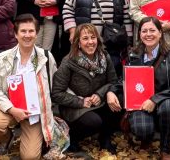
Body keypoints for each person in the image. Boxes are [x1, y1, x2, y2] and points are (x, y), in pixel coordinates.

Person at [0, 14, 58, 159]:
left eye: (31, 31)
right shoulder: (4, 57)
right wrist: (12, 109)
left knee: (30, 157)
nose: (27, 35)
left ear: (37, 34)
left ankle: (35, 136)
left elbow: (54, 86)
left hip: (34, 114)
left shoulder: (46, 57)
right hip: (11, 109)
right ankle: (7, 138)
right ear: (16, 34)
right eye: (23, 31)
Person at [117, 17, 170, 160]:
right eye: (144, 31)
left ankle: (165, 149)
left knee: (169, 107)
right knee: (142, 128)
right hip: (141, 103)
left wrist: (155, 99)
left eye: (152, 30)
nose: (148, 34)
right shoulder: (133, 54)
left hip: (167, 100)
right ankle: (146, 138)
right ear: (139, 34)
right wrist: (111, 92)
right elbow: (125, 80)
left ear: (160, 33)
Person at [51, 23, 121, 153]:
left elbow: (114, 82)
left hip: (98, 102)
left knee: (118, 100)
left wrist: (102, 94)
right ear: (78, 42)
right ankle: (73, 138)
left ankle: (105, 138)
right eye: (85, 38)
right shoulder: (69, 61)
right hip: (75, 106)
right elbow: (56, 93)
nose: (90, 42)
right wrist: (81, 101)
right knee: (93, 122)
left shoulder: (104, 56)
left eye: (93, 37)